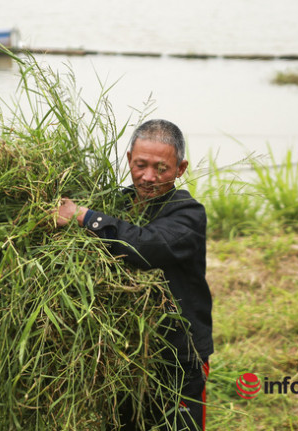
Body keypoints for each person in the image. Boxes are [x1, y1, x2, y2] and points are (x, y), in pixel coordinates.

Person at [55, 119, 213, 430]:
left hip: (177, 354)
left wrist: (84, 216)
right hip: (124, 352)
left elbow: (145, 248)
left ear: (181, 169)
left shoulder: (189, 214)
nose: (148, 177)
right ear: (129, 159)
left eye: (161, 168)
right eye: (140, 165)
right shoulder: (115, 204)